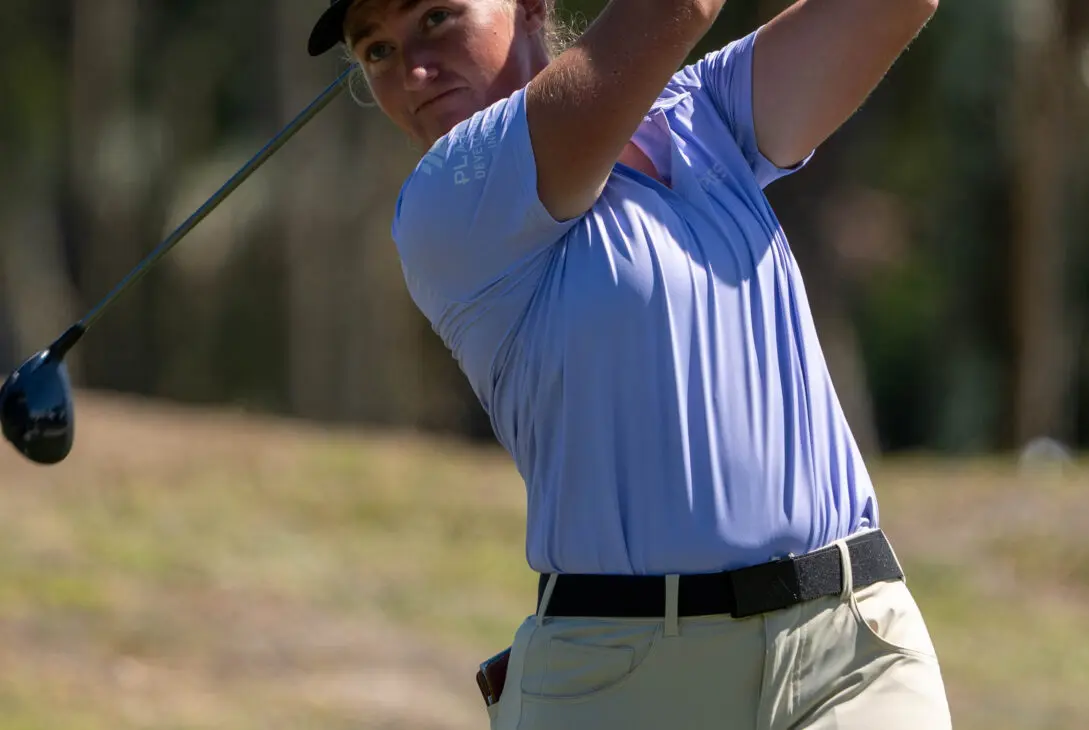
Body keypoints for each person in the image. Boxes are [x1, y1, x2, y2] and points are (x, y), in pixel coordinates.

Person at [307, 0, 950, 728]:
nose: (414, 71)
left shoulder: (697, 113)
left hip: (852, 649)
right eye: (378, 53)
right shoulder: (448, 197)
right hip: (626, 679)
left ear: (529, 8)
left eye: (435, 20)